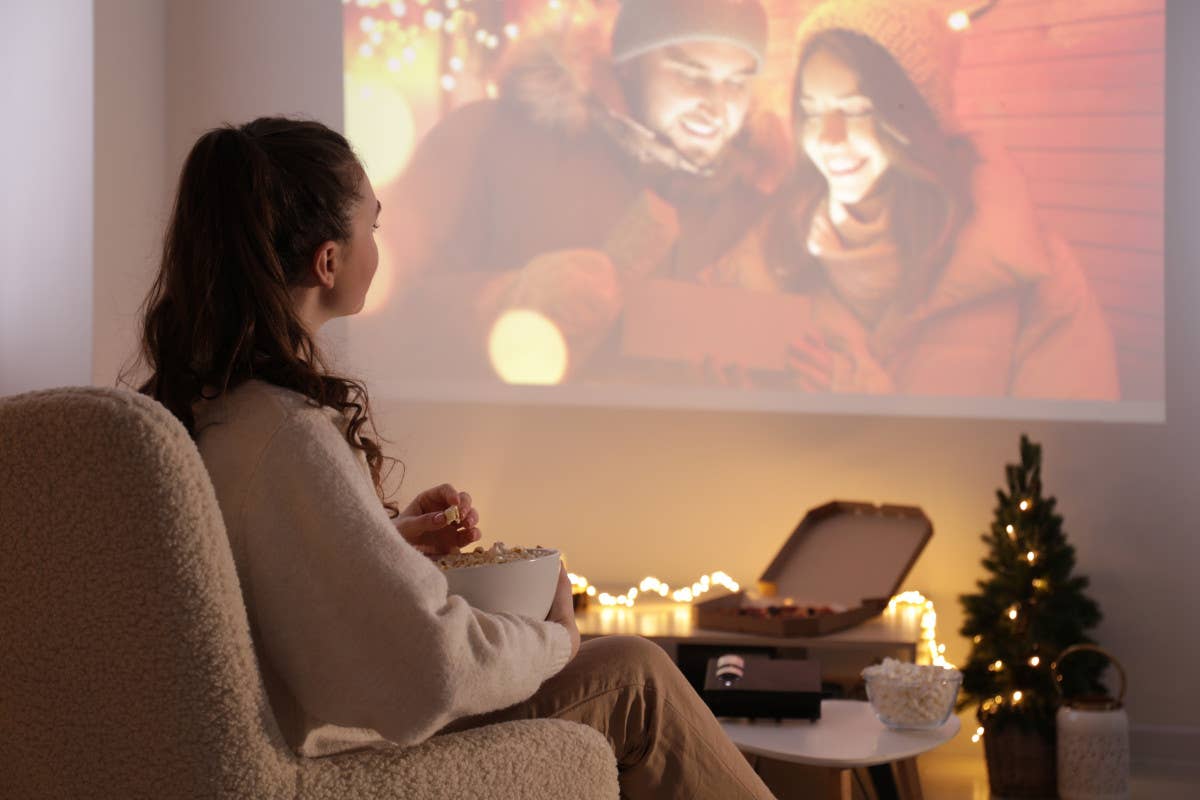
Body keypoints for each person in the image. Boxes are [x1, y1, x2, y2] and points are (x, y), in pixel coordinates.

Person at [135, 116, 776, 799]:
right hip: (328, 765)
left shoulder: (209, 411)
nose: (377, 246)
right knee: (633, 678)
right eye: (372, 228)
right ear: (328, 261)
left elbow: (268, 586)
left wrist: (382, 544)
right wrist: (551, 635)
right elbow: (429, 673)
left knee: (627, 664)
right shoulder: (286, 432)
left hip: (275, 742)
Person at [353, 0, 790, 385]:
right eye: (689, 72)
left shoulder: (756, 198)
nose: (714, 102)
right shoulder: (489, 139)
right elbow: (368, 314)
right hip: (505, 457)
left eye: (736, 81)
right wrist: (502, 301)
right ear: (629, 62)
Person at [714, 0, 1119, 399]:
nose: (828, 138)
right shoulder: (763, 260)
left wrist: (871, 419)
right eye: (813, 111)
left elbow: (1066, 457)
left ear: (916, 118)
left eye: (857, 110)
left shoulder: (1037, 283)